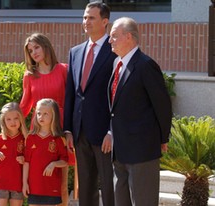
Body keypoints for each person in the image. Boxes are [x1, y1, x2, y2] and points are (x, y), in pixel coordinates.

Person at [108, 17, 172, 206]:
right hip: (119, 151)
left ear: (128, 37)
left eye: (113, 36)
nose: (110, 40)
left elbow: (162, 105)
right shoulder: (116, 64)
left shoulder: (145, 65)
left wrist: (163, 138)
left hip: (142, 151)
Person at [63, 2, 116, 206]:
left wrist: (111, 131)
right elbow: (71, 94)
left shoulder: (114, 52)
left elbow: (116, 95)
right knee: (85, 185)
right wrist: (68, 129)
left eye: (91, 18)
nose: (86, 22)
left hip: (104, 134)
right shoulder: (75, 52)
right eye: (85, 17)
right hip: (79, 131)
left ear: (105, 22)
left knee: (109, 186)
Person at [19, 32, 70, 205]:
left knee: (61, 184)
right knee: (38, 183)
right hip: (38, 133)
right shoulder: (29, 75)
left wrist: (70, 130)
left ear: (46, 46)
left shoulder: (63, 69)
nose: (34, 52)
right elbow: (24, 106)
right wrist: (22, 130)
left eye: (37, 47)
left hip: (60, 131)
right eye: (30, 50)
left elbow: (72, 100)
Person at [22, 98, 69, 206]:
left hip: (51, 188)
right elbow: (26, 162)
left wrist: (54, 164)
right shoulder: (30, 138)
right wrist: (24, 183)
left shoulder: (59, 139)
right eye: (38, 113)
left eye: (45, 114)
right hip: (34, 188)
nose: (41, 117)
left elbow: (65, 161)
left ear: (54, 116)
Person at [0, 102, 28, 206]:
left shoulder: (25, 139)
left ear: (20, 119)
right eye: (8, 119)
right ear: (3, 121)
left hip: (18, 183)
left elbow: (30, 161)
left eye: (16, 118)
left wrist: (24, 159)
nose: (13, 122)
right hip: (1, 182)